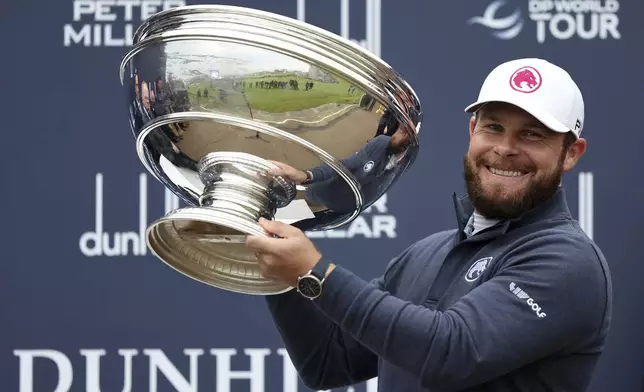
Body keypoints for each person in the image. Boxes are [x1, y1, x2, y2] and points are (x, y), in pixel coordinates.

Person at [245, 58, 613, 392]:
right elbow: (326, 362)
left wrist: (317, 274)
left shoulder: (568, 261)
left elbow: (449, 353)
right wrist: (278, 237)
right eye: (494, 127)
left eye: (532, 134)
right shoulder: (425, 255)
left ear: (571, 154)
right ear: (472, 130)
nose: (505, 148)